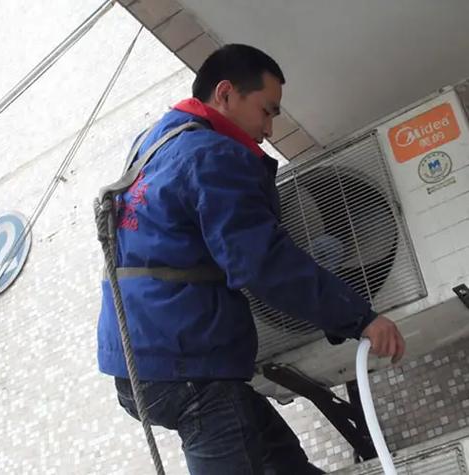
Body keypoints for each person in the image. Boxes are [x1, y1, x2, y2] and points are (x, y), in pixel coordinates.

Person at [97, 43, 405, 475]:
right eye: (267, 110)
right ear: (225, 93)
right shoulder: (212, 154)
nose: (270, 129)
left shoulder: (154, 142)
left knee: (282, 460)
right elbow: (263, 262)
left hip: (139, 361)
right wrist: (361, 319)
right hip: (189, 366)